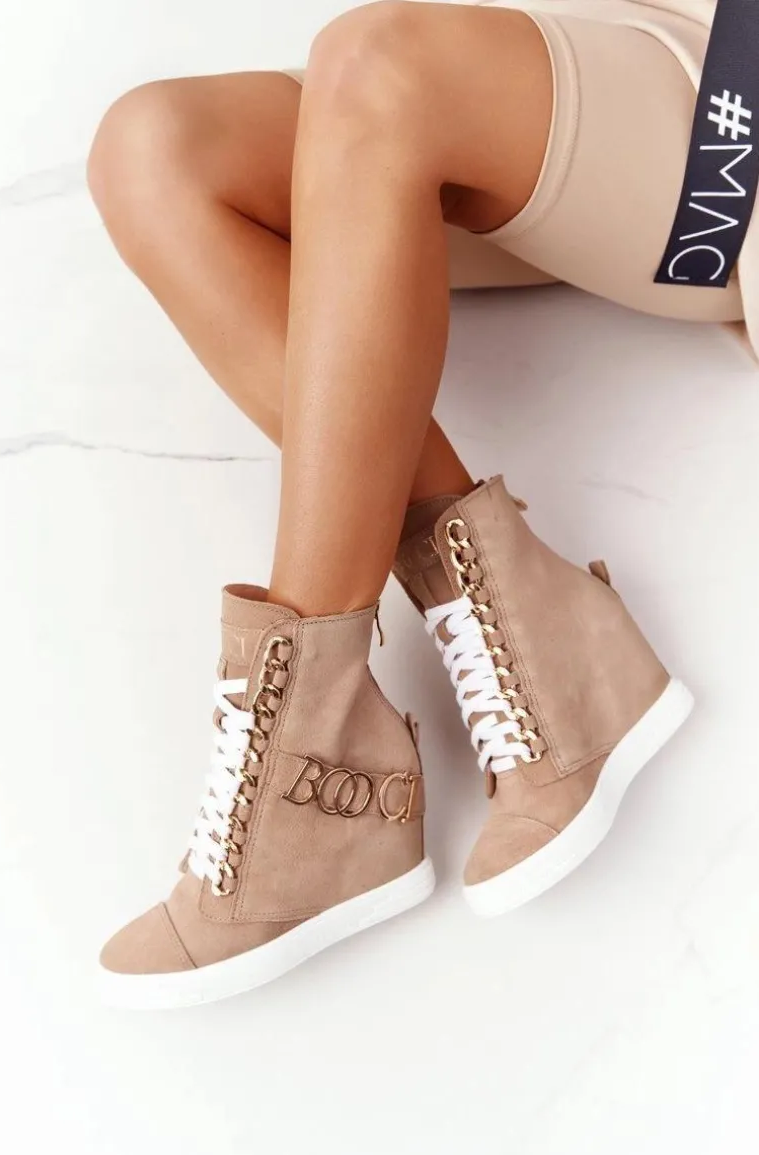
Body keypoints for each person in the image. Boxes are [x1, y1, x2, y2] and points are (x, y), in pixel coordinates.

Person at [86, 0, 739, 1009]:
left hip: (724, 88)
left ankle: (307, 752)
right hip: (551, 60)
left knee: (381, 63)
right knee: (154, 150)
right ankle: (538, 631)